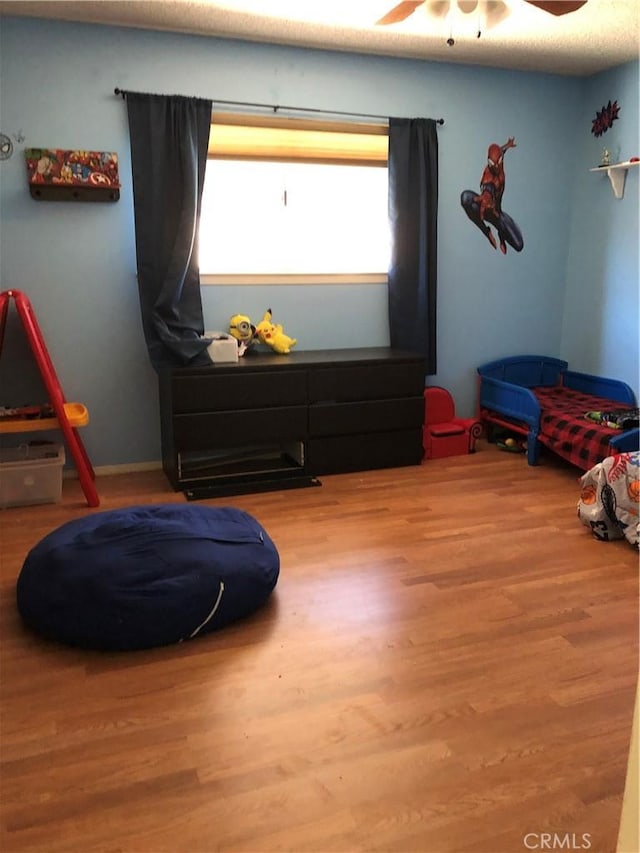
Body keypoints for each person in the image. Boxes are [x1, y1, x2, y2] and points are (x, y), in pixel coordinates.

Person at [460, 137, 524, 254]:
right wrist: (486, 196)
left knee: (519, 245)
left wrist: (507, 145)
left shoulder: (499, 162)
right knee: (465, 197)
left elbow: (500, 151)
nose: (494, 167)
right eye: (491, 163)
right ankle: (487, 232)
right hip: (484, 209)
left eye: (497, 163)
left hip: (497, 214)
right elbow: (488, 186)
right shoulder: (489, 175)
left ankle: (501, 235)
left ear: (500, 160)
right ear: (489, 162)